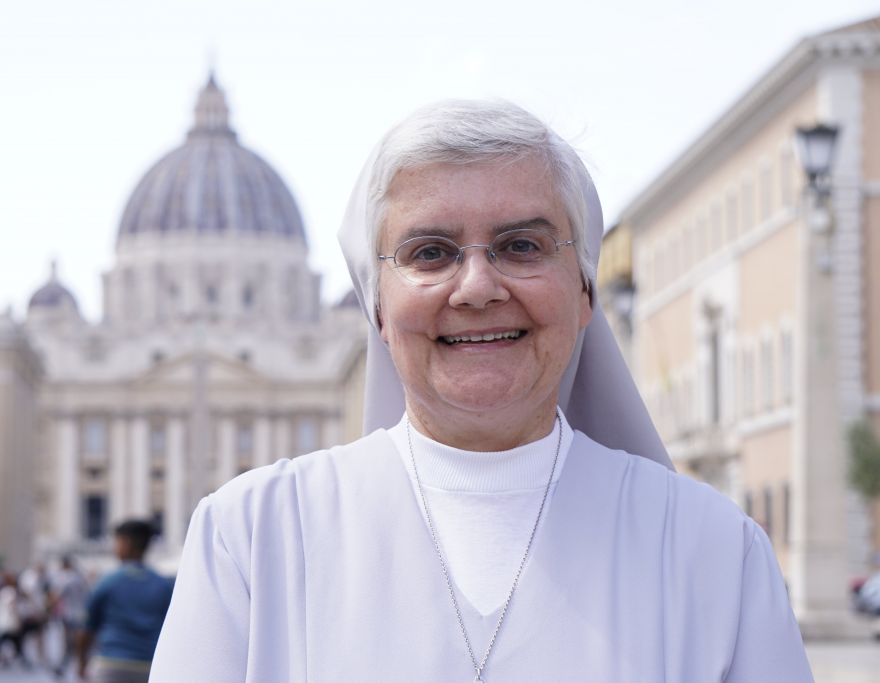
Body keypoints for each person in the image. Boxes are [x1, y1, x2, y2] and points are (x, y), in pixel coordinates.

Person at [150, 100, 813, 681]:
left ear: (585, 292)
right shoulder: (246, 536)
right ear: (377, 307)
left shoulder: (718, 551)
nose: (477, 287)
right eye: (431, 252)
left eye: (521, 245)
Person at [78, 520, 173, 682]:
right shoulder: (163, 585)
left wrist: (81, 662)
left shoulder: (108, 581)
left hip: (113, 664)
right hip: (149, 665)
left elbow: (87, 628)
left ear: (126, 543)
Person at [49, 555, 89, 679]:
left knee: (68, 643)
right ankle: (74, 666)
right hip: (82, 614)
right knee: (77, 643)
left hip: (70, 615)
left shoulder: (67, 578)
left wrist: (49, 608)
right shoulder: (79, 577)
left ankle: (64, 667)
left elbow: (57, 596)